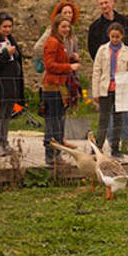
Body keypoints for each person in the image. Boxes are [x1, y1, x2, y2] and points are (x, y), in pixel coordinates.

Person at [87, 0, 128, 144]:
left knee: (122, 113)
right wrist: (104, 65)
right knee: (105, 116)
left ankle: (123, 141)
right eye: (101, 4)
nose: (104, 6)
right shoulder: (95, 27)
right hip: (105, 73)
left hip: (122, 73)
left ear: (112, 3)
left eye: (106, 2)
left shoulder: (123, 21)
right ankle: (103, 143)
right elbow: (92, 49)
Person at [91, 22, 128, 156]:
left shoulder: (127, 51)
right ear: (109, 35)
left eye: (117, 37)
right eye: (112, 36)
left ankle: (115, 147)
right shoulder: (102, 50)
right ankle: (98, 146)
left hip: (120, 89)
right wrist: (95, 92)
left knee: (118, 119)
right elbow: (96, 71)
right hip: (105, 88)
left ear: (122, 36)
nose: (115, 39)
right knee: (103, 119)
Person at [0, 12, 24, 157]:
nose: (7, 29)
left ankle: (4, 141)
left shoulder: (11, 39)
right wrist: (6, 54)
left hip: (11, 83)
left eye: (9, 26)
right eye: (4, 26)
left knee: (7, 114)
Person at [43, 17, 80, 166]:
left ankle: (56, 155)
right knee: (53, 123)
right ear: (56, 27)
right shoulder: (52, 42)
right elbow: (49, 65)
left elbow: (57, 60)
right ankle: (51, 156)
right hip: (53, 87)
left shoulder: (59, 42)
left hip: (59, 86)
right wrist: (69, 67)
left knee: (58, 122)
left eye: (68, 27)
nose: (66, 29)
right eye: (63, 26)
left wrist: (69, 58)